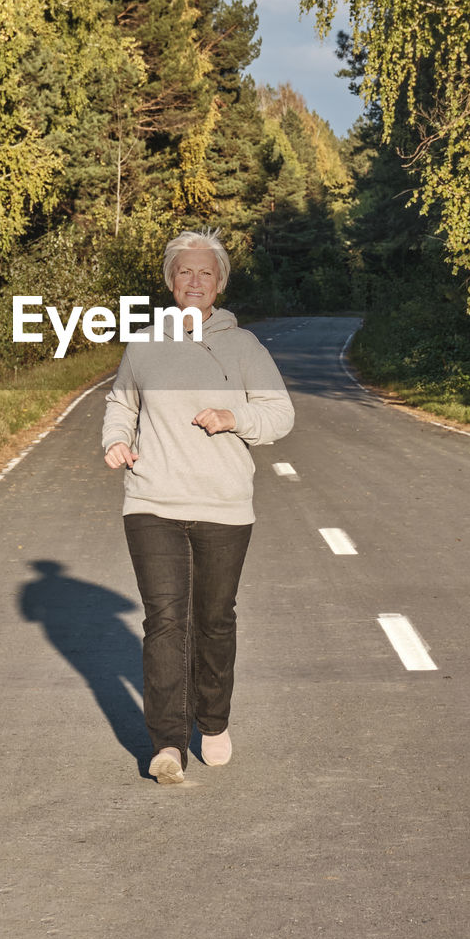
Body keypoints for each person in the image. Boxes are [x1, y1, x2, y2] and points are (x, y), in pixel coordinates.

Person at [102, 228, 294, 784]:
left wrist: (237, 419)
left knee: (213, 620)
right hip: (152, 498)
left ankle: (212, 720)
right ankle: (166, 744)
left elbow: (279, 415)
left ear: (219, 284)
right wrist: (116, 441)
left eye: (204, 273)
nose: (193, 281)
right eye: (183, 272)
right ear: (169, 281)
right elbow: (121, 404)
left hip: (224, 505)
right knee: (165, 621)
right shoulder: (143, 344)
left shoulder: (244, 347)